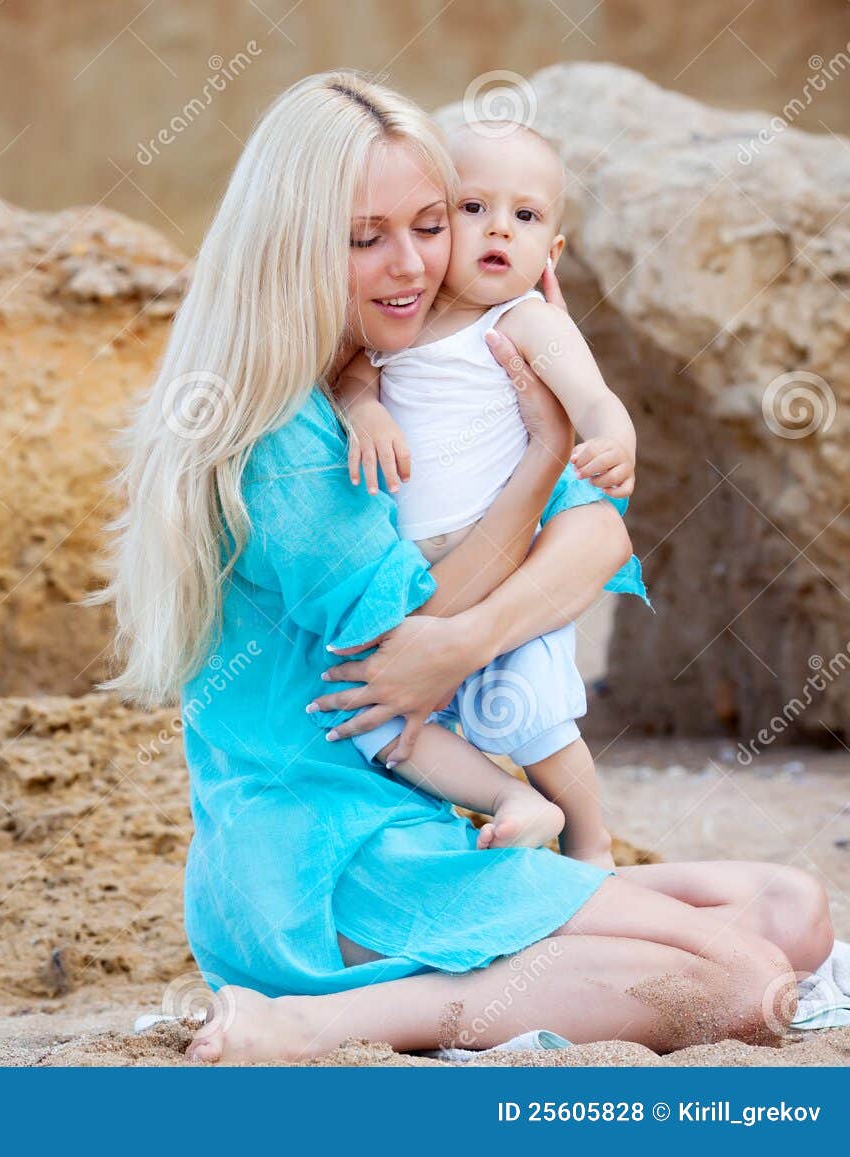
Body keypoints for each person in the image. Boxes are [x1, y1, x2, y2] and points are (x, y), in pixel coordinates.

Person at [86, 71, 834, 1063]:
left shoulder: (431, 378)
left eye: (430, 224)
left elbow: (601, 536)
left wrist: (479, 617)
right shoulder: (295, 439)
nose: (410, 266)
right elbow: (407, 644)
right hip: (325, 869)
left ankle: (456, 976)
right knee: (745, 981)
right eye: (364, 237)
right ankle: (317, 1020)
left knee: (792, 905)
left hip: (431, 831)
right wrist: (541, 448)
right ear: (292, 245)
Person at [322, 121, 645, 867]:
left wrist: (614, 439)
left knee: (532, 714)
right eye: (472, 209)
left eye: (525, 216)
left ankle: (592, 844)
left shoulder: (525, 320)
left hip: (503, 561)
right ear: (436, 222)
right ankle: (512, 802)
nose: (499, 227)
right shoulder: (400, 318)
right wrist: (366, 409)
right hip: (413, 580)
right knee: (374, 718)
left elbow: (593, 398)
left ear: (551, 253)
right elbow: (352, 375)